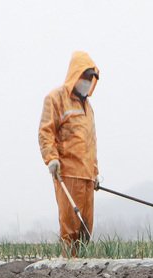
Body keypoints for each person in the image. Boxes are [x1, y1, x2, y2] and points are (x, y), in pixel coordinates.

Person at [39, 51, 100, 256]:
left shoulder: (88, 107)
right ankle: (68, 271)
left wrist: (95, 172)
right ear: (76, 74)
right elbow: (46, 131)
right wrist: (52, 159)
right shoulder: (56, 98)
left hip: (87, 177)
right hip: (68, 174)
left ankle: (83, 269)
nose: (88, 81)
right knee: (70, 229)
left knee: (85, 230)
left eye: (92, 78)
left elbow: (91, 142)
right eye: (85, 76)